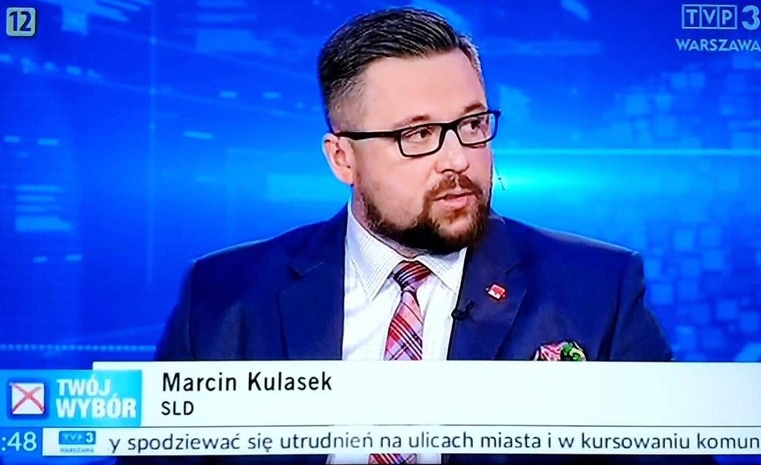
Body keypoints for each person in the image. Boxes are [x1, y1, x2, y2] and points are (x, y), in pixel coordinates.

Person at [121, 7, 715, 465]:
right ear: (342, 159)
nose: (457, 158)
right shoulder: (224, 295)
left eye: (472, 124)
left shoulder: (598, 289)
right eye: (419, 134)